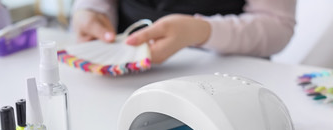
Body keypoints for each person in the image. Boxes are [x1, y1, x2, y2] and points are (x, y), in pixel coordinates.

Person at [72, 0, 296, 64]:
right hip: (123, 68)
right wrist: (91, 8)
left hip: (224, 74)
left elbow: (277, 25)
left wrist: (202, 31)